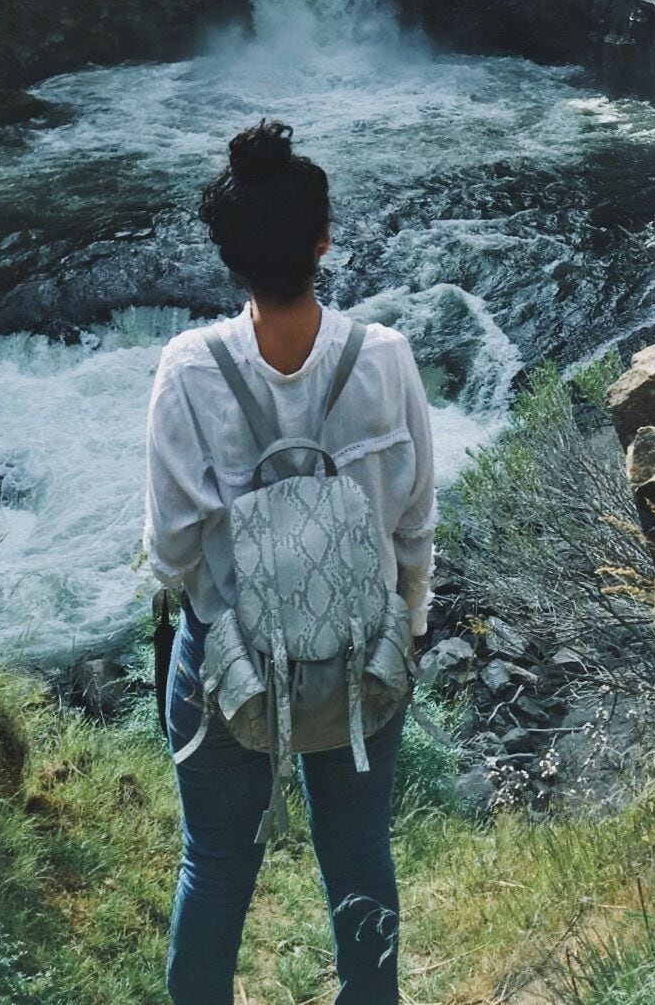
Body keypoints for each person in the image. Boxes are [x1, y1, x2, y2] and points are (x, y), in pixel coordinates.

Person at [144, 119, 436, 1005]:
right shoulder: (384, 357)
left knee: (216, 866)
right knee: (357, 859)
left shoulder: (187, 370)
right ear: (323, 241)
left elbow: (169, 551)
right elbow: (414, 524)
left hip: (229, 669)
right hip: (359, 658)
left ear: (228, 255)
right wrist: (407, 627)